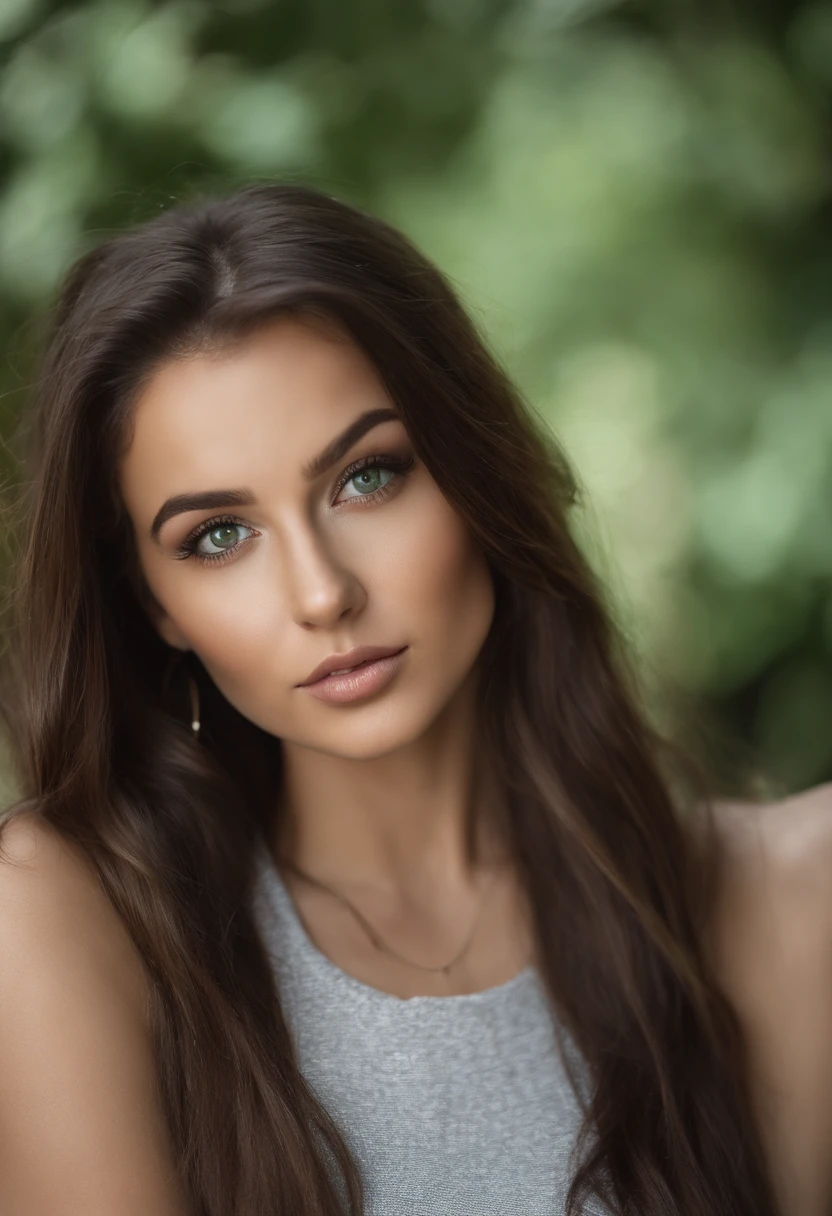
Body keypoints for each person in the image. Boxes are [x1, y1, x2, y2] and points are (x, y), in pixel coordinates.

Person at [0, 182, 829, 1216]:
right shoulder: (76, 922)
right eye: (218, 535)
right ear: (155, 606)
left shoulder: (777, 904)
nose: (321, 592)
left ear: (473, 471)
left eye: (367, 477)